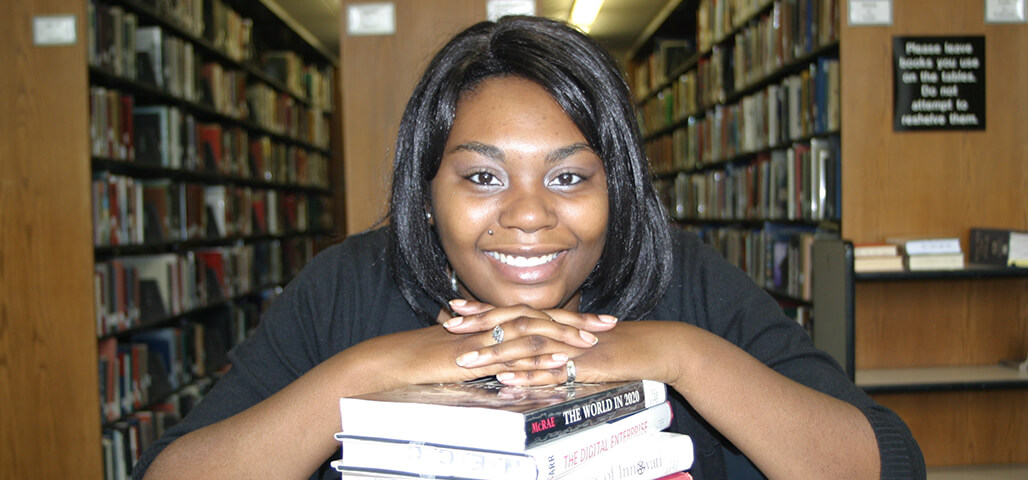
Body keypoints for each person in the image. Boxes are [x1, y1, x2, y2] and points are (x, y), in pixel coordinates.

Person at [135, 15, 925, 480]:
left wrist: (677, 354)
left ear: (618, 186)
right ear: (427, 185)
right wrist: (375, 370)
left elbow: (885, 464)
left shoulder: (680, 276)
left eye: (570, 177)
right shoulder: (348, 284)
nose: (527, 216)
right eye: (482, 176)